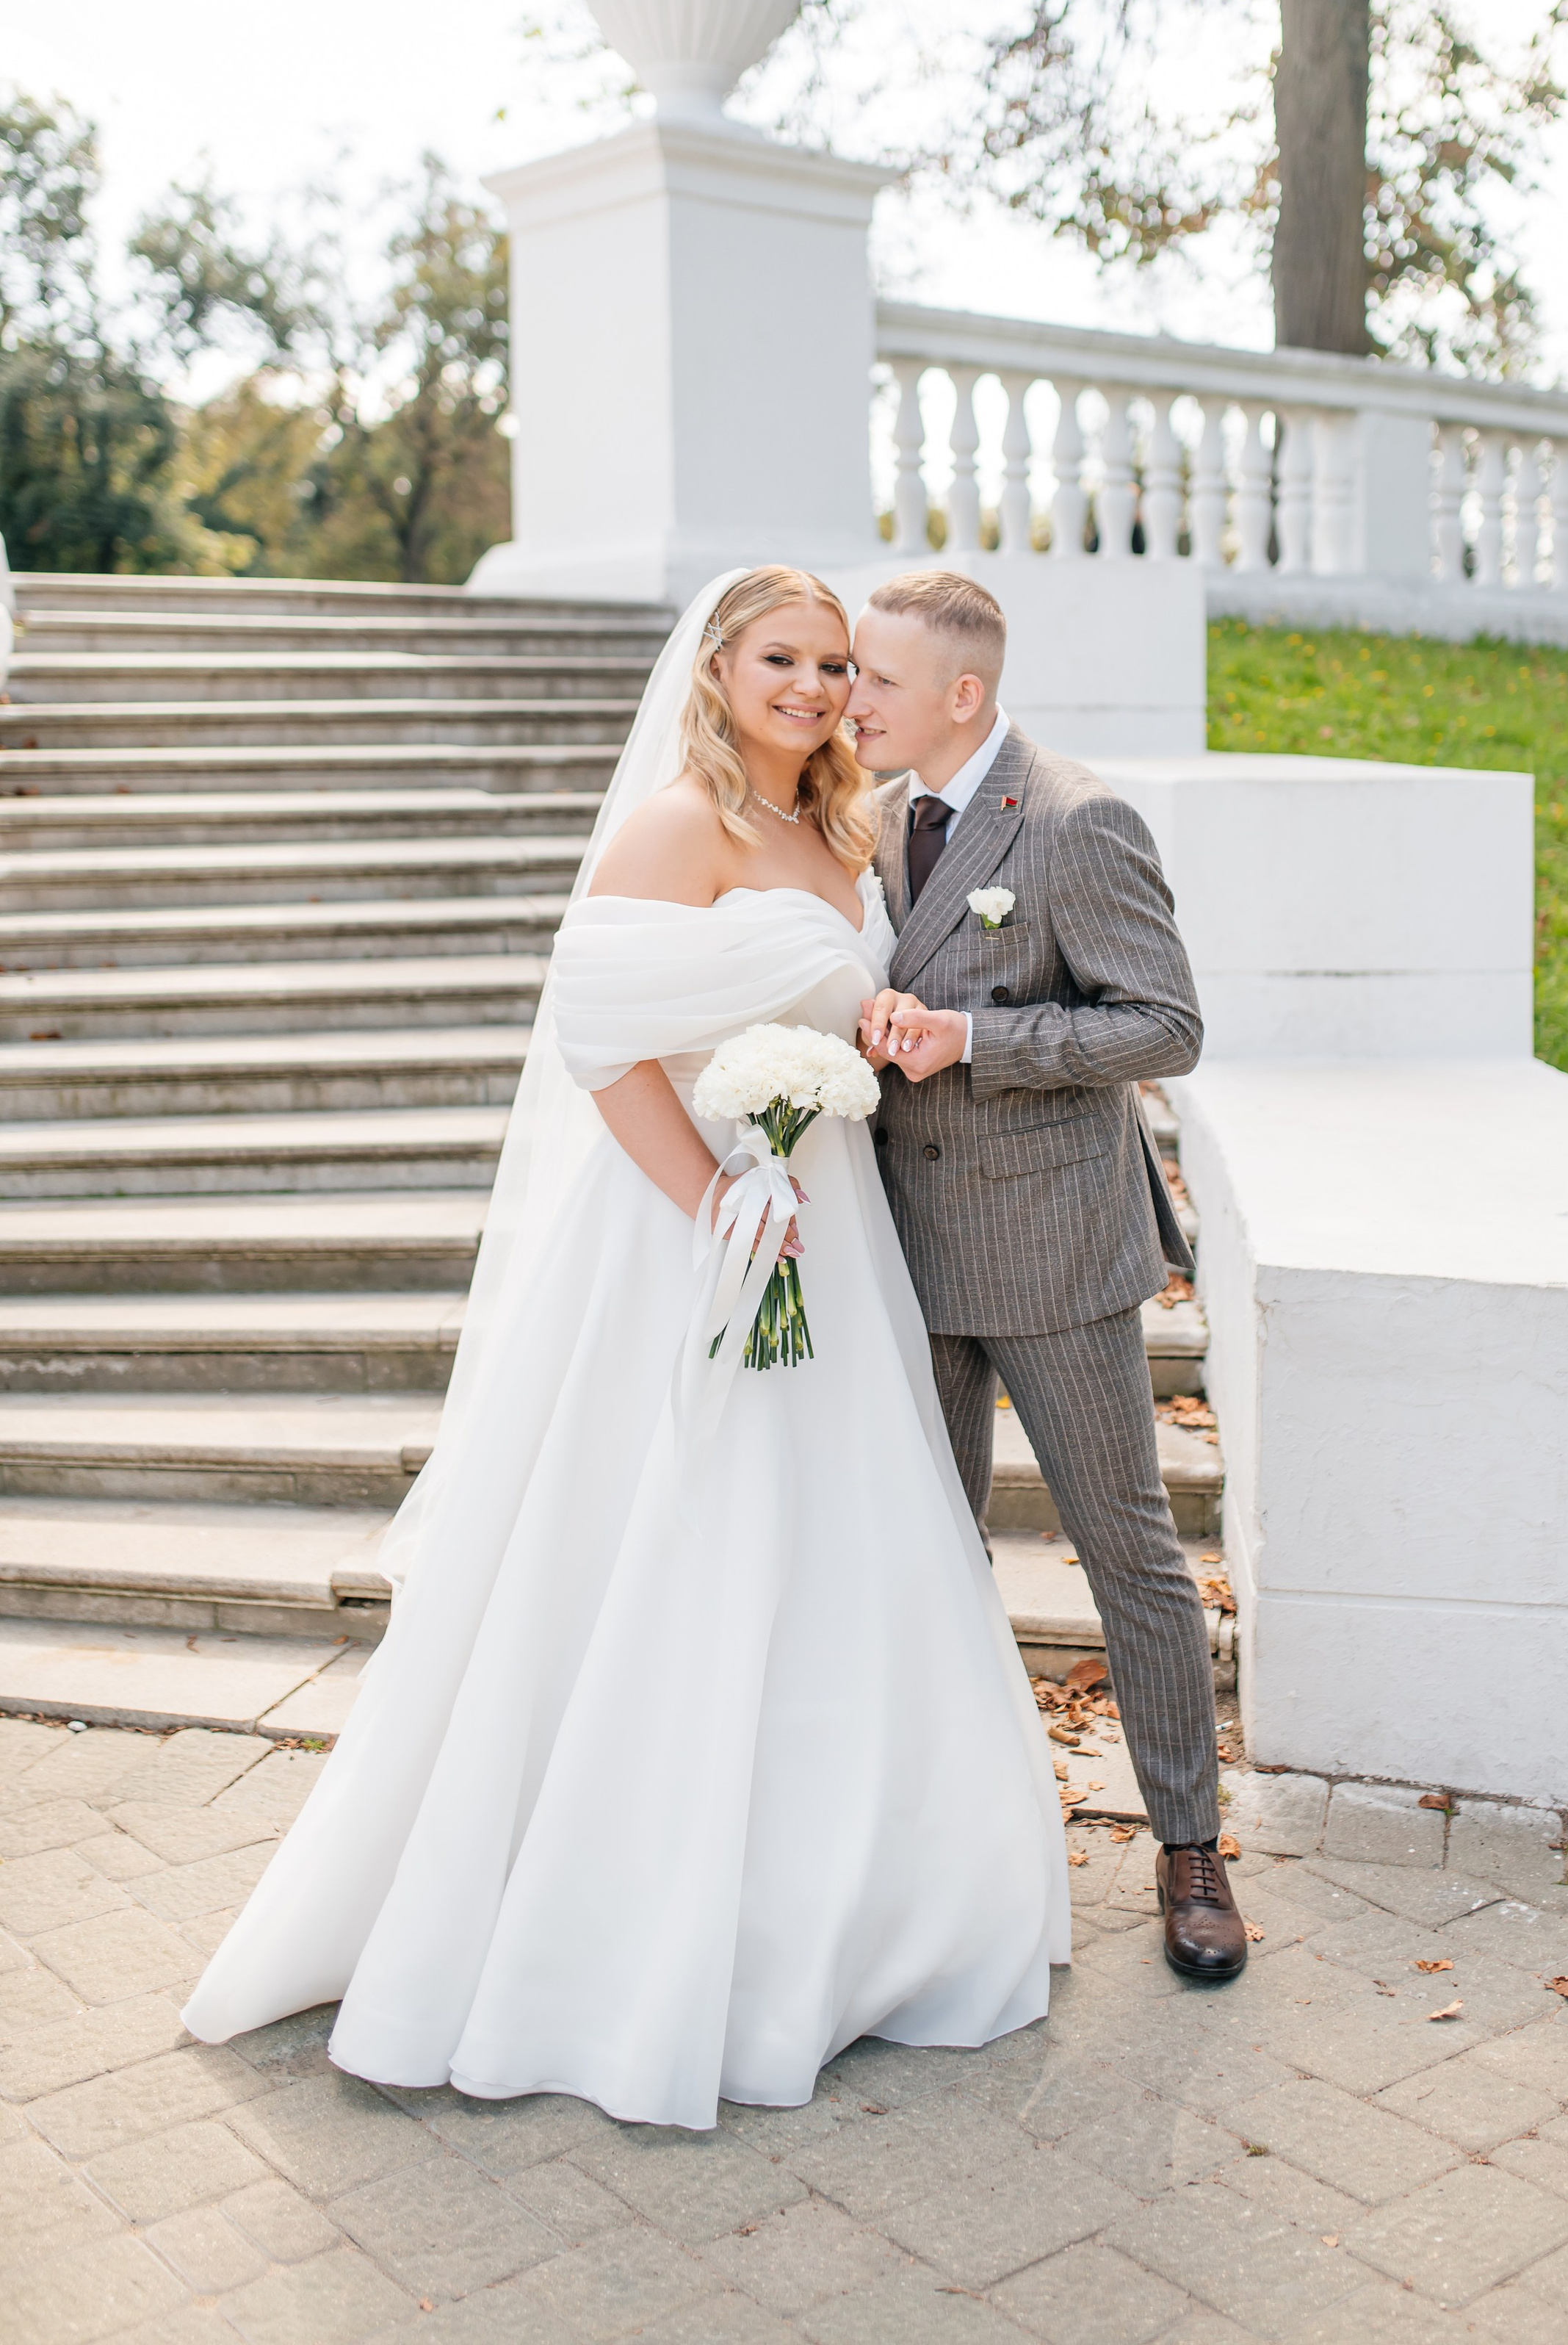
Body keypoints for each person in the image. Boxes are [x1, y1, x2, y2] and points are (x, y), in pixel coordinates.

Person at [180, 567, 1067, 2130]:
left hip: (831, 1228)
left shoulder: (842, 827)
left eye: (833, 664)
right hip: (690, 1230)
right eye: (779, 658)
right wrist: (717, 1200)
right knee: (677, 1537)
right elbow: (602, 1042)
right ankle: (612, 1918)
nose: (811, 687)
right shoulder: (677, 824)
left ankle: (848, 1894)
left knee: (834, 1549)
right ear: (718, 666)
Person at [849, 567, 1247, 1984]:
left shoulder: (1077, 818)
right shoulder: (874, 819)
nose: (850, 697)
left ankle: (1190, 1847)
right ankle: (956, 1840)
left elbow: (1166, 1025)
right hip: (905, 1247)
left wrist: (978, 1041)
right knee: (930, 1547)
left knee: (1129, 1554)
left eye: (876, 678)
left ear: (962, 694)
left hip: (1054, 1250)